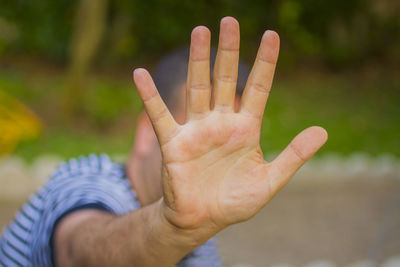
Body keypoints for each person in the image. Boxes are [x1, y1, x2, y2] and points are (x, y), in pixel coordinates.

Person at [0, 16, 327, 266]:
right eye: (203, 136)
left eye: (230, 142)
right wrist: (173, 230)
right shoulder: (84, 182)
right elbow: (81, 249)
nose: (216, 159)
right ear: (146, 132)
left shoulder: (201, 247)